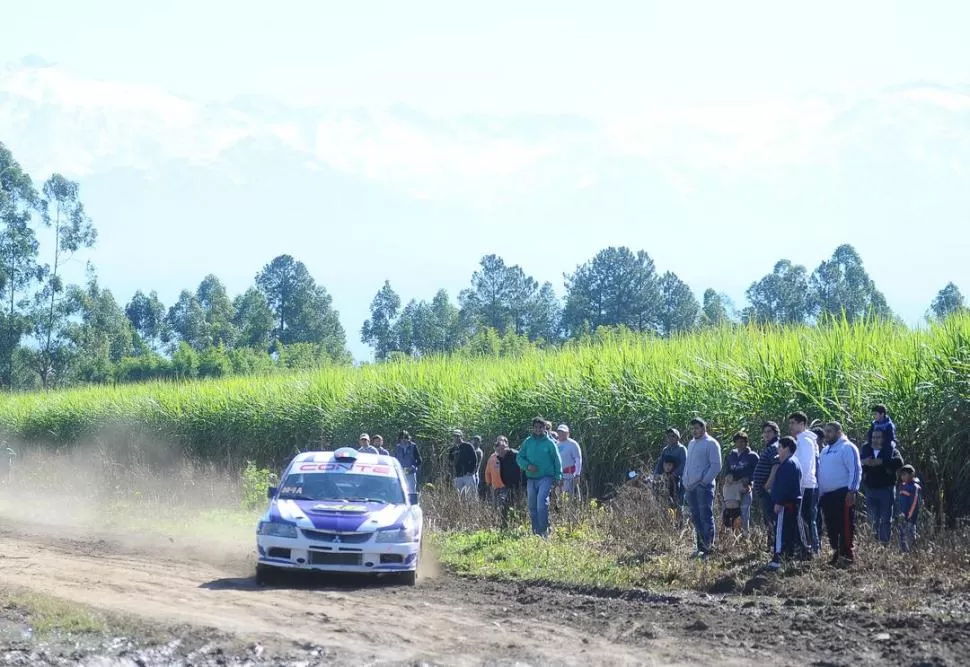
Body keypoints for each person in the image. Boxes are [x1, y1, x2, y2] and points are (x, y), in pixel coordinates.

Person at [818, 422, 862, 566]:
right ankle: (837, 552)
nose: (827, 434)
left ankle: (847, 555)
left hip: (843, 494)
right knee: (831, 527)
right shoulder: (825, 451)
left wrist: (852, 490)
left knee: (845, 525)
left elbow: (855, 470)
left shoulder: (847, 447)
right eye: (826, 432)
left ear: (838, 432)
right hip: (827, 496)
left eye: (830, 431)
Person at [683, 418, 722, 559]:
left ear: (704, 428)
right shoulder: (692, 443)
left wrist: (704, 482)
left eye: (697, 428)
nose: (694, 431)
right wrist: (685, 481)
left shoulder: (711, 443)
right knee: (696, 517)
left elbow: (716, 466)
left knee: (705, 516)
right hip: (690, 487)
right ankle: (700, 547)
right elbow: (688, 465)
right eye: (692, 428)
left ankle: (708, 548)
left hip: (703, 487)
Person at [517, 417, 563, 537]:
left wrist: (558, 476)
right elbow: (519, 457)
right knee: (532, 505)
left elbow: (557, 460)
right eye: (536, 427)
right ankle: (536, 532)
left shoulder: (549, 443)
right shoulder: (528, 442)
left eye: (540, 427)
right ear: (533, 428)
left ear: (544, 428)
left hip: (545, 477)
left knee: (541, 503)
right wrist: (527, 466)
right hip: (531, 478)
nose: (538, 429)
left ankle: (544, 531)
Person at [860, 429, 903, 544]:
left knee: (885, 519)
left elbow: (899, 462)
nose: (875, 439)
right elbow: (859, 463)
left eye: (878, 437)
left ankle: (884, 544)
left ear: (884, 439)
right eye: (873, 437)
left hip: (886, 490)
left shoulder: (890, 450)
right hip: (870, 489)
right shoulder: (867, 449)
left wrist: (882, 462)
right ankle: (873, 543)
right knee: (872, 519)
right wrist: (865, 462)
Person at [788, 411, 821, 556]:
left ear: (802, 424)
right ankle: (806, 548)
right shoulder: (800, 440)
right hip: (803, 485)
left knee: (806, 518)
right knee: (804, 518)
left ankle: (812, 549)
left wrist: (798, 485)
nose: (791, 426)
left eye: (793, 423)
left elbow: (806, 466)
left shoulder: (805, 441)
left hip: (805, 486)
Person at [768, 436, 803, 570]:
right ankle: (787, 558)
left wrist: (779, 502)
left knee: (781, 531)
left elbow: (785, 486)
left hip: (785, 504)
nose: (777, 449)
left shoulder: (789, 464)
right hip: (789, 504)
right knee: (788, 532)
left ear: (786, 448)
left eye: (780, 447)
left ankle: (778, 558)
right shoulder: (792, 462)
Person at [752, 422, 781, 552]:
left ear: (776, 433)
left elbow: (776, 465)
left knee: (772, 519)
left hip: (769, 491)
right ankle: (771, 545)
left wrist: (768, 485)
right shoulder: (770, 447)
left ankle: (775, 546)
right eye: (764, 432)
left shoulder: (774, 447)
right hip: (764, 491)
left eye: (769, 431)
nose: (766, 434)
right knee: (768, 519)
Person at [724, 431, 759, 534]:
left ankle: (744, 537)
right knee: (731, 513)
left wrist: (749, 480)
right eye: (737, 441)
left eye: (743, 441)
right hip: (732, 490)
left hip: (745, 488)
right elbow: (726, 470)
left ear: (746, 442)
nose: (740, 444)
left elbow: (757, 472)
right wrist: (728, 476)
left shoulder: (752, 456)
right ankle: (732, 537)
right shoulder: (731, 455)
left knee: (744, 513)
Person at [486, 436, 521, 528]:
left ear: (506, 447)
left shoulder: (515, 455)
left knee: (518, 505)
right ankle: (505, 525)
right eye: (498, 451)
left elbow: (522, 470)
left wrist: (520, 484)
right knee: (505, 505)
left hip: (519, 485)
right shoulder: (499, 457)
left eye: (502, 450)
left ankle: (518, 524)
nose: (500, 453)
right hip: (507, 485)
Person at [896, 464, 921, 553]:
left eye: (905, 474)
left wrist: (909, 515)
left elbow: (914, 503)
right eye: (901, 475)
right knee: (902, 534)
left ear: (912, 475)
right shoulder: (903, 485)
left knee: (910, 535)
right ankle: (904, 552)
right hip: (903, 515)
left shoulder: (914, 487)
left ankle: (913, 553)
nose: (902, 477)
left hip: (910, 517)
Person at [448, 429, 479, 499]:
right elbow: (450, 462)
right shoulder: (452, 449)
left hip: (468, 474)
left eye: (457, 436)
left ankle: (472, 509)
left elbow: (475, 459)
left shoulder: (468, 446)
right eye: (454, 436)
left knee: (471, 497)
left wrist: (471, 471)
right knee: (459, 497)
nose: (456, 438)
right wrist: (452, 473)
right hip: (458, 475)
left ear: (461, 436)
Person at [555, 424, 583, 500]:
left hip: (570, 476)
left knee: (569, 498)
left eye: (563, 432)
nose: (561, 434)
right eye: (559, 432)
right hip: (559, 476)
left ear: (568, 433)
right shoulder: (556, 444)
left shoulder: (573, 444)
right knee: (559, 499)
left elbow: (578, 460)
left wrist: (577, 475)